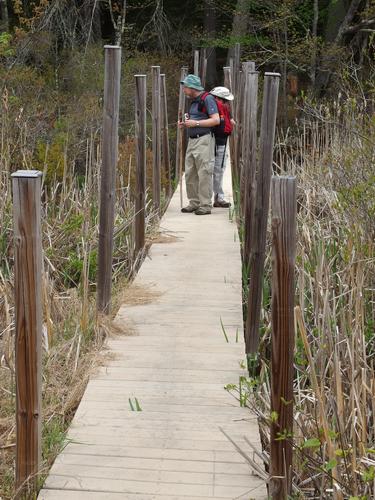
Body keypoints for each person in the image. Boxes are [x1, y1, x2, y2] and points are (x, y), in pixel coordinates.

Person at [178, 74, 220, 215]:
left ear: (192, 87)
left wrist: (195, 123)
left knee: (204, 172)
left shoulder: (207, 99)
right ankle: (194, 202)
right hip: (192, 140)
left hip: (204, 140)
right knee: (190, 172)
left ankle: (205, 205)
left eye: (185, 87)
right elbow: (196, 120)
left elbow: (216, 120)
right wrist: (185, 125)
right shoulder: (194, 101)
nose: (183, 89)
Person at [209, 86, 235, 208]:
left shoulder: (218, 107)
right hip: (218, 142)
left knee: (217, 169)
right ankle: (218, 198)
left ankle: (216, 197)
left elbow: (230, 120)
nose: (227, 103)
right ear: (218, 98)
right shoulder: (216, 107)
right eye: (225, 100)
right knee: (218, 169)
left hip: (216, 141)